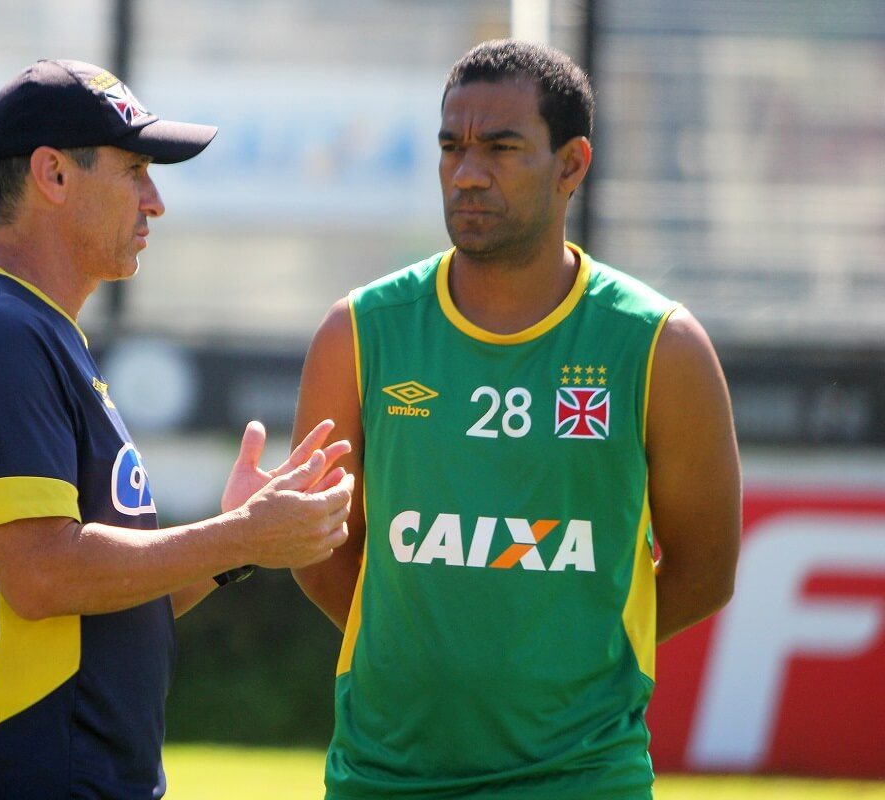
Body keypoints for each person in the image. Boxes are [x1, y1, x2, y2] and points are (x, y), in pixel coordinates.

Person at [291, 39, 741, 799]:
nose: (467, 173)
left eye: (501, 147)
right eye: (450, 147)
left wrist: (572, 659)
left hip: (582, 777)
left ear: (571, 165)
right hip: (384, 776)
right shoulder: (361, 332)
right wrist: (411, 648)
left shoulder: (660, 345)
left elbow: (707, 568)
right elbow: (317, 548)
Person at [0, 59, 354, 800]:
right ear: (52, 174)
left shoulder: (32, 332)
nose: (156, 201)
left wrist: (234, 538)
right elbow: (44, 575)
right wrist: (243, 535)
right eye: (136, 169)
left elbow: (99, 598)